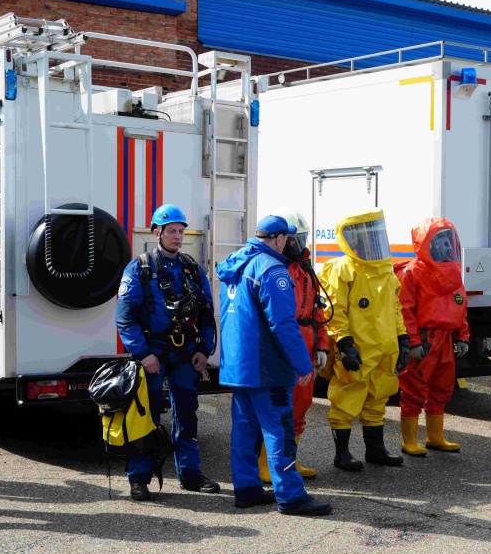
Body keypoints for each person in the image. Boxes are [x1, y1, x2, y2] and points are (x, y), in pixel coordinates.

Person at [218, 215, 332, 516]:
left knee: (244, 431)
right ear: (280, 239)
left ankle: (247, 489)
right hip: (265, 367)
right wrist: (303, 365)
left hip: (238, 366)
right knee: (279, 431)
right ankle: (291, 496)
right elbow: (283, 324)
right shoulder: (272, 270)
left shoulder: (235, 263)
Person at [115, 204, 220, 502]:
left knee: (187, 414)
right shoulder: (139, 268)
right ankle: (139, 479)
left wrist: (203, 350)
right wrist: (142, 354)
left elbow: (207, 314)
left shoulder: (192, 268)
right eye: (171, 230)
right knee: (144, 416)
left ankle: (190, 474)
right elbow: (125, 317)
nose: (177, 236)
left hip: (186, 355)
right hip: (151, 356)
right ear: (156, 232)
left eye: (181, 231)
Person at [320, 208, 410, 471]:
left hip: (385, 348)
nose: (371, 242)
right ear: (350, 239)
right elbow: (334, 310)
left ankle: (375, 450)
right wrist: (344, 344)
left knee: (377, 398)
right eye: (364, 236)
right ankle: (342, 454)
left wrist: (403, 339)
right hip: (358, 349)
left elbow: (395, 309)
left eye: (374, 235)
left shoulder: (386, 271)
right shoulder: (342, 269)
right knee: (346, 399)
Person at [255, 207, 326, 483]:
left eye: (304, 239)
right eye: (297, 240)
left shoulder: (305, 269)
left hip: (305, 343)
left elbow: (318, 311)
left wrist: (322, 346)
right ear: (283, 238)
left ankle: (289, 462)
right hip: (282, 345)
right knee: (276, 409)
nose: (301, 245)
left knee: (301, 405)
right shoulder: (273, 268)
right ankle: (266, 464)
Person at [395, 217, 470, 456]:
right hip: (425, 341)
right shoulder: (412, 273)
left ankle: (435, 436)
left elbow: (460, 306)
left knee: (442, 388)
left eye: (450, 241)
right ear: (428, 244)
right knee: (414, 388)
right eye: (441, 242)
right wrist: (413, 341)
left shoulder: (453, 274)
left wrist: (462, 336)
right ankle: (409, 440)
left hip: (446, 339)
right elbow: (404, 310)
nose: (447, 247)